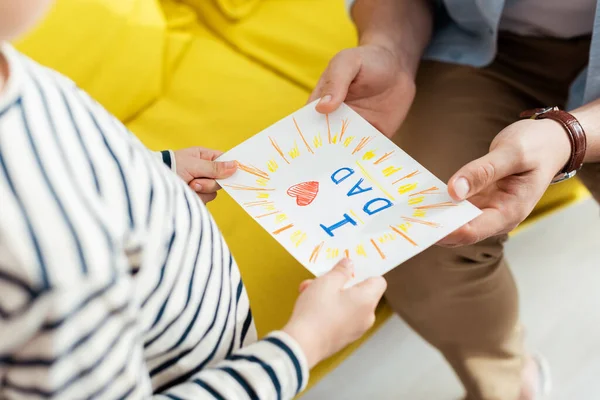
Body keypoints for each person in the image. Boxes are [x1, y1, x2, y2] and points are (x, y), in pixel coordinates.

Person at [0, 0, 387, 398]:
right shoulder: (47, 257)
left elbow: (72, 158)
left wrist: (153, 173)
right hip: (201, 370)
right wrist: (304, 344)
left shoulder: (9, 59)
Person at [311, 0, 600, 399]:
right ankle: (507, 381)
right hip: (486, 50)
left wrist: (571, 135)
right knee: (418, 238)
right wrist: (389, 47)